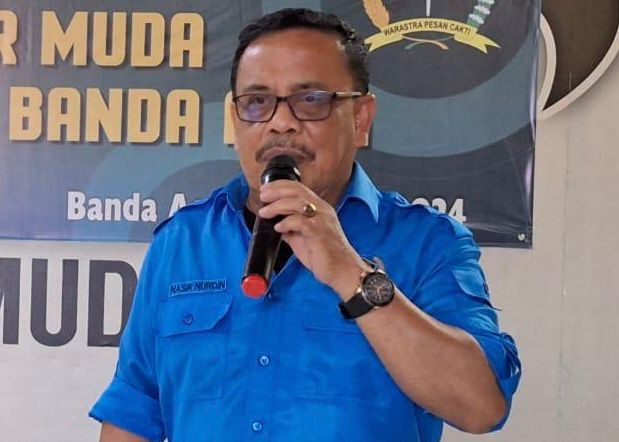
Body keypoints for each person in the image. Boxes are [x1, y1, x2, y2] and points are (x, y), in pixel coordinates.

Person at [90, 8, 521, 442]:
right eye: (257, 102)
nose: (281, 122)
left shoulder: (428, 242)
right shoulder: (182, 242)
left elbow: (481, 407)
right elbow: (134, 411)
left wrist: (350, 272)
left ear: (361, 119)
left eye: (311, 100)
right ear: (235, 120)